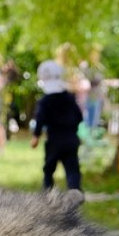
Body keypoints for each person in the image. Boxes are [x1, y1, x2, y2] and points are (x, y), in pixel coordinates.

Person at [30, 59, 83, 192]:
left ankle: (48, 193)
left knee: (49, 169)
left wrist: (36, 136)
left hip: (54, 140)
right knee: (72, 168)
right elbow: (79, 116)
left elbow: (40, 119)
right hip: (71, 139)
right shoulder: (70, 98)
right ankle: (75, 190)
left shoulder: (45, 101)